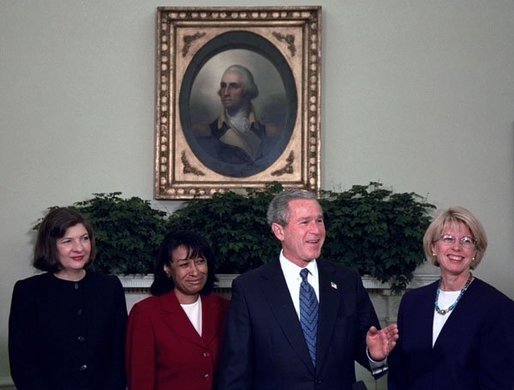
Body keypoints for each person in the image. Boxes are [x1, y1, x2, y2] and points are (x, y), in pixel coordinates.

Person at [216, 188, 399, 389]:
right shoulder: (250, 288)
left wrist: (374, 354)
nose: (316, 230)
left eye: (319, 221)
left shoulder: (347, 281)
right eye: (305, 222)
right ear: (279, 231)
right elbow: (235, 370)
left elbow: (366, 343)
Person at [388, 206, 514, 389]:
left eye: (466, 241)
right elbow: (399, 374)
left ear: (475, 252)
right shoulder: (412, 303)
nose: (457, 247)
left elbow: (501, 381)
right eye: (448, 238)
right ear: (433, 247)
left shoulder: (498, 307)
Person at [8, 207, 127, 390]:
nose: (79, 248)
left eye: (84, 238)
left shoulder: (109, 287)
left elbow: (118, 353)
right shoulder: (28, 292)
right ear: (50, 246)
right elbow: (23, 362)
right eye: (67, 241)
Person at [126, 231, 230, 390]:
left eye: (200, 261)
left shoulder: (224, 308)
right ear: (167, 268)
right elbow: (140, 381)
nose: (195, 272)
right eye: (184, 265)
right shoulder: (146, 313)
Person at [196, 64, 276, 177]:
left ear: (247, 91)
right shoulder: (206, 133)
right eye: (223, 86)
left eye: (233, 86)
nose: (226, 93)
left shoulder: (270, 133)